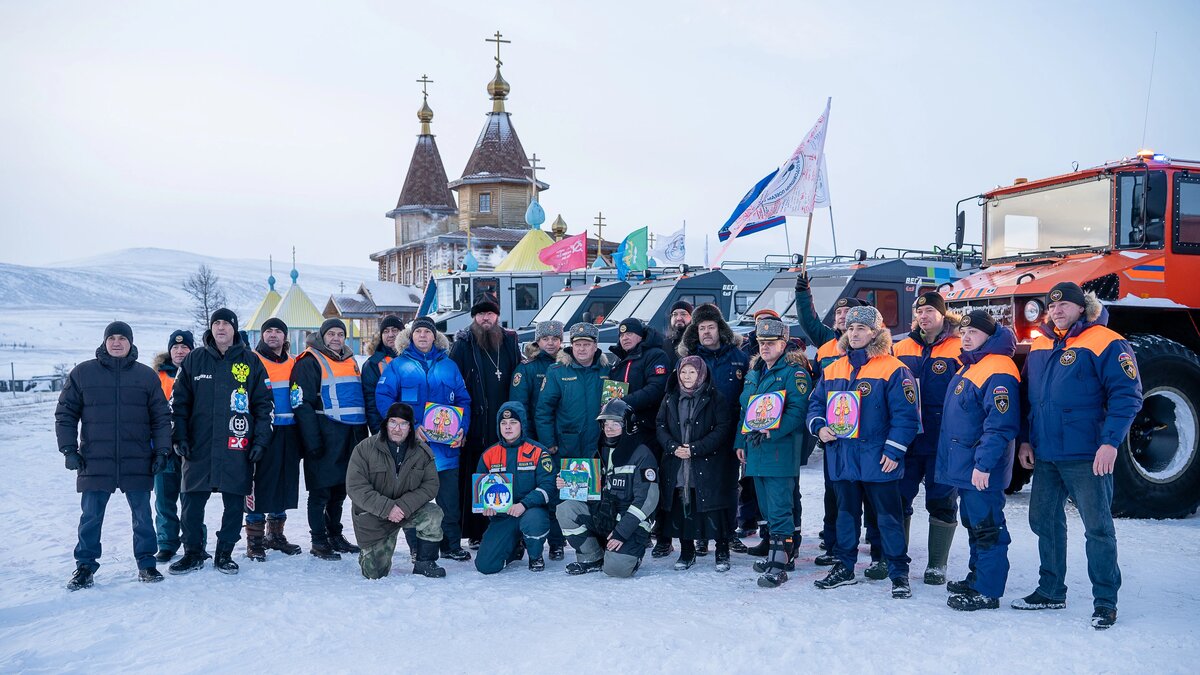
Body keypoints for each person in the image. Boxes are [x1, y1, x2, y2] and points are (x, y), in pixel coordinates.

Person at [1011, 282, 1141, 630]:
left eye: (1064, 305)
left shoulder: (1107, 341)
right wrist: (1025, 440)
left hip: (1087, 453)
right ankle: (1051, 590)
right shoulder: (1040, 343)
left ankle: (1105, 602)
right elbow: (1028, 398)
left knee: (1097, 528)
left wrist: (1110, 442)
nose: (1056, 310)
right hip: (1047, 454)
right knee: (1044, 521)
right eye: (1051, 306)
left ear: (1082, 307)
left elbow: (1126, 397)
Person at [808, 305, 920, 599]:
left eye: (861, 328)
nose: (854, 333)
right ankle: (845, 566)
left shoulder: (893, 368)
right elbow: (815, 405)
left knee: (887, 518)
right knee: (845, 516)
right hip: (843, 458)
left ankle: (898, 572)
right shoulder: (833, 368)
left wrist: (894, 451)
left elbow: (906, 416)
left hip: (877, 458)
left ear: (876, 332)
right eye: (851, 328)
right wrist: (819, 427)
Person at [55, 321, 174, 589]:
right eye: (112, 338)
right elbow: (65, 414)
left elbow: (161, 417)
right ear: (105, 341)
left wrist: (162, 450)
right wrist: (68, 450)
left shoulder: (146, 376)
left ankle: (146, 563)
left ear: (131, 342)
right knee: (91, 517)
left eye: (122, 338)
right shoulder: (84, 373)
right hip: (95, 459)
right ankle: (84, 566)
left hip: (138, 458)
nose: (117, 343)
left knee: (143, 516)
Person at [169, 309, 273, 576]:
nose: (221, 328)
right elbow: (178, 402)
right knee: (191, 502)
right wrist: (179, 435)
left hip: (236, 445)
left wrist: (260, 441)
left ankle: (225, 553)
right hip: (198, 445)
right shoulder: (194, 360)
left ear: (235, 328)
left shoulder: (251, 361)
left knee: (234, 503)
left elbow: (264, 405)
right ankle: (192, 552)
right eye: (216, 323)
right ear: (211, 328)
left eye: (226, 323)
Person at [795, 275, 885, 575]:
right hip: (836, 436)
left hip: (869, 438)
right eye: (840, 315)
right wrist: (803, 292)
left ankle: (877, 547)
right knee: (834, 493)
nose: (844, 319)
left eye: (850, 316)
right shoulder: (826, 343)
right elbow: (807, 320)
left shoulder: (880, 355)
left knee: (872, 496)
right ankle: (834, 545)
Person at [935, 311, 1020, 611]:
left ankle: (988, 590)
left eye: (974, 332)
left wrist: (983, 464)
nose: (967, 337)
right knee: (974, 524)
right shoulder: (973, 365)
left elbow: (1000, 424)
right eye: (964, 332)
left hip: (981, 469)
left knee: (988, 528)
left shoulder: (998, 368)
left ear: (989, 335)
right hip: (967, 468)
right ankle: (977, 578)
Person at [376, 316, 473, 561]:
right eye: (417, 332)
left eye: (427, 332)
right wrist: (407, 427)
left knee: (449, 499)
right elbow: (384, 398)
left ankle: (451, 545)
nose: (422, 336)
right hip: (411, 447)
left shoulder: (449, 366)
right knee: (413, 499)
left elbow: (463, 400)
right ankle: (417, 547)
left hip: (446, 448)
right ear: (411, 336)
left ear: (434, 337)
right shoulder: (399, 365)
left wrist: (462, 427)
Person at [892, 291, 963, 585]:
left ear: (942, 315)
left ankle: (936, 564)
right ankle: (898, 558)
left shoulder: (960, 346)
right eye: (919, 312)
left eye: (930, 312)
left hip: (943, 439)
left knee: (942, 500)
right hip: (908, 439)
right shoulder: (900, 347)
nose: (923, 317)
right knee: (899, 498)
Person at [735, 318, 811, 588]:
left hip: (779, 450)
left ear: (783, 344)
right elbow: (746, 411)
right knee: (766, 507)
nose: (764, 347)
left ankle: (780, 563)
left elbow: (798, 411)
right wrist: (740, 443)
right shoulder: (755, 371)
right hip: (755, 451)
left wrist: (774, 431)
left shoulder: (794, 372)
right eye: (761, 342)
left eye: (771, 343)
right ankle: (774, 554)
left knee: (780, 508)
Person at [675, 303, 749, 555]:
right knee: (699, 485)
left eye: (711, 327)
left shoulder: (739, 357)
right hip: (699, 435)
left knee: (728, 486)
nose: (707, 332)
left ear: (720, 328)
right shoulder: (689, 359)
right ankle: (701, 536)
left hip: (730, 434)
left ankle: (727, 534)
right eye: (702, 328)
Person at [293, 318, 369, 561]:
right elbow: (301, 403)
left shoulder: (350, 360)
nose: (336, 338)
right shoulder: (309, 361)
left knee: (340, 491)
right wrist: (311, 440)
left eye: (340, 334)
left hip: (349, 435)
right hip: (323, 434)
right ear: (322, 336)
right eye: (331, 334)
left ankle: (335, 534)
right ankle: (318, 539)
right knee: (320, 491)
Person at [556, 399, 659, 578]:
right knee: (565, 509)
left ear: (628, 425)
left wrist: (621, 533)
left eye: (615, 423)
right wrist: (567, 484)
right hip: (605, 515)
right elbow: (588, 489)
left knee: (616, 570)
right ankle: (592, 557)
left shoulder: (642, 454)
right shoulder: (599, 450)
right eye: (605, 423)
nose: (609, 428)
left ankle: (630, 556)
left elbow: (647, 501)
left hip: (630, 523)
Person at [450, 295, 522, 548]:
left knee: (506, 472)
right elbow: (454, 383)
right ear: (473, 317)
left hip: (506, 423)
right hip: (477, 423)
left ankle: (506, 527)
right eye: (480, 314)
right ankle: (478, 530)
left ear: (497, 315)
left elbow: (518, 375)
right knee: (478, 473)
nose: (485, 318)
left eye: (489, 313)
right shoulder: (463, 343)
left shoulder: (510, 340)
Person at [346, 402, 446, 579]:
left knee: (433, 513)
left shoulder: (422, 452)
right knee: (375, 574)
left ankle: (425, 562)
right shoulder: (364, 449)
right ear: (386, 423)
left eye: (403, 424)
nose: (397, 428)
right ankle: (368, 553)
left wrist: (403, 506)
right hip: (375, 516)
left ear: (410, 427)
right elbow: (355, 487)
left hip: (407, 511)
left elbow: (431, 485)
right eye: (393, 422)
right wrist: (388, 508)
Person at [656, 356, 736, 571]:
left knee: (713, 508)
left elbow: (722, 429)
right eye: (683, 372)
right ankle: (686, 551)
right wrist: (673, 447)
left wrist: (695, 448)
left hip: (707, 463)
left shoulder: (715, 397)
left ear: (702, 374)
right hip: (677, 462)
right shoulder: (670, 397)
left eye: (692, 372)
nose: (687, 376)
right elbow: (660, 425)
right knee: (683, 507)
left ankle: (721, 551)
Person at [606, 317, 671, 557]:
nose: (625, 338)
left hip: (649, 431)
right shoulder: (618, 362)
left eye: (630, 334)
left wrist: (622, 403)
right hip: (626, 432)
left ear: (641, 336)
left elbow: (656, 389)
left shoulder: (655, 356)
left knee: (651, 483)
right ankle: (634, 529)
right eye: (622, 335)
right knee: (628, 484)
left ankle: (662, 535)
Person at [245, 317, 304, 561]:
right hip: (262, 431)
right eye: (268, 330)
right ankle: (255, 538)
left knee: (284, 482)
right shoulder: (252, 360)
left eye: (277, 331)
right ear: (261, 336)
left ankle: (275, 534)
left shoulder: (293, 363)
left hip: (289, 430)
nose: (272, 335)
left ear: (285, 336)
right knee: (259, 483)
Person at [474, 402, 556, 574]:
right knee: (485, 566)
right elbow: (481, 490)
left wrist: (524, 504)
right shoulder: (489, 455)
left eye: (513, 422)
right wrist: (486, 507)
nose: (508, 427)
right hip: (504, 516)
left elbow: (548, 486)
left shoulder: (538, 452)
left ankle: (535, 555)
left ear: (522, 424)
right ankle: (514, 549)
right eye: (503, 423)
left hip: (531, 511)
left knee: (533, 522)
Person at [509, 319, 566, 559]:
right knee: (539, 491)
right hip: (535, 443)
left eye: (555, 338)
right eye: (545, 338)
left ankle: (558, 541)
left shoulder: (568, 365)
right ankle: (535, 540)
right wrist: (529, 442)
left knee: (560, 491)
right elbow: (519, 409)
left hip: (563, 438)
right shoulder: (527, 369)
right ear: (538, 341)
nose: (550, 343)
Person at [534, 322, 613, 459]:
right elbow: (544, 410)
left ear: (595, 347)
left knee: (597, 480)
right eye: (577, 344)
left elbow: (615, 407)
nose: (581, 349)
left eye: (586, 344)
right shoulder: (557, 372)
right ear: (572, 346)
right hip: (567, 447)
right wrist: (548, 442)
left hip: (599, 445)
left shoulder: (607, 370)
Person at [152, 329, 195, 562]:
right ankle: (167, 542)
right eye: (176, 347)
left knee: (191, 497)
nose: (180, 351)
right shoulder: (157, 376)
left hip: (191, 445)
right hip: (165, 446)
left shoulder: (199, 373)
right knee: (165, 497)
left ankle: (193, 541)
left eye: (185, 347)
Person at [362, 315, 404, 435]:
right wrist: (379, 432)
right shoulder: (372, 364)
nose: (390, 334)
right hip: (387, 429)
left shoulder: (415, 358)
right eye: (386, 331)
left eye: (395, 330)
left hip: (416, 427)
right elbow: (371, 403)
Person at [663, 300, 693, 370]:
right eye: (675, 314)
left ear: (692, 317)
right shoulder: (665, 344)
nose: (678, 318)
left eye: (683, 314)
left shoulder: (698, 342)